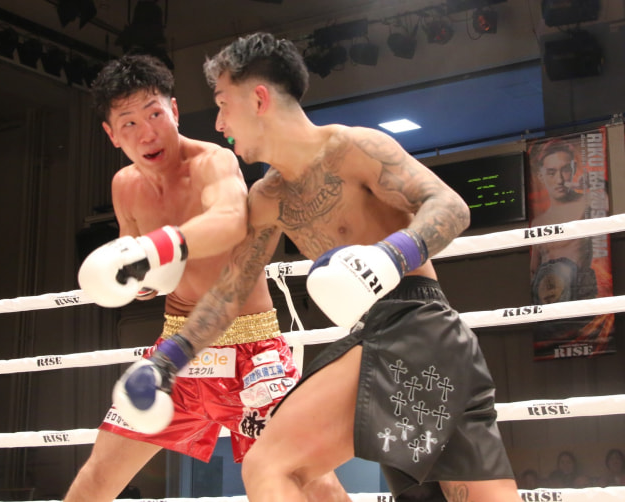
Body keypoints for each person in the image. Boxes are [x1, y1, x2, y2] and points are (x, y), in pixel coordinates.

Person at [112, 32, 521, 501]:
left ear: (259, 99)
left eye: (223, 103)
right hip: (392, 337)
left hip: (417, 323)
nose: (220, 122)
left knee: (270, 465)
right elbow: (229, 292)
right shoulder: (268, 198)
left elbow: (450, 206)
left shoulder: (354, 148)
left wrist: (390, 256)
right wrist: (166, 361)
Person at [65, 54, 346, 502]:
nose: (147, 133)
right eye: (129, 123)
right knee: (98, 474)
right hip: (176, 351)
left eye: (154, 114)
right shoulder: (124, 186)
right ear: (112, 134)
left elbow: (230, 221)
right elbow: (143, 277)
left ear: (174, 111)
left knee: (310, 481)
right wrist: (137, 282)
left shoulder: (213, 162)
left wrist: (156, 247)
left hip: (251, 350)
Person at [529, 140, 596, 304]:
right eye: (551, 172)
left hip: (579, 294)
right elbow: (534, 268)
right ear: (541, 176)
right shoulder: (538, 222)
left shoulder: (587, 203)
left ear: (573, 169)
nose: (559, 180)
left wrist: (595, 186)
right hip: (548, 299)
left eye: (565, 170)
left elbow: (606, 203)